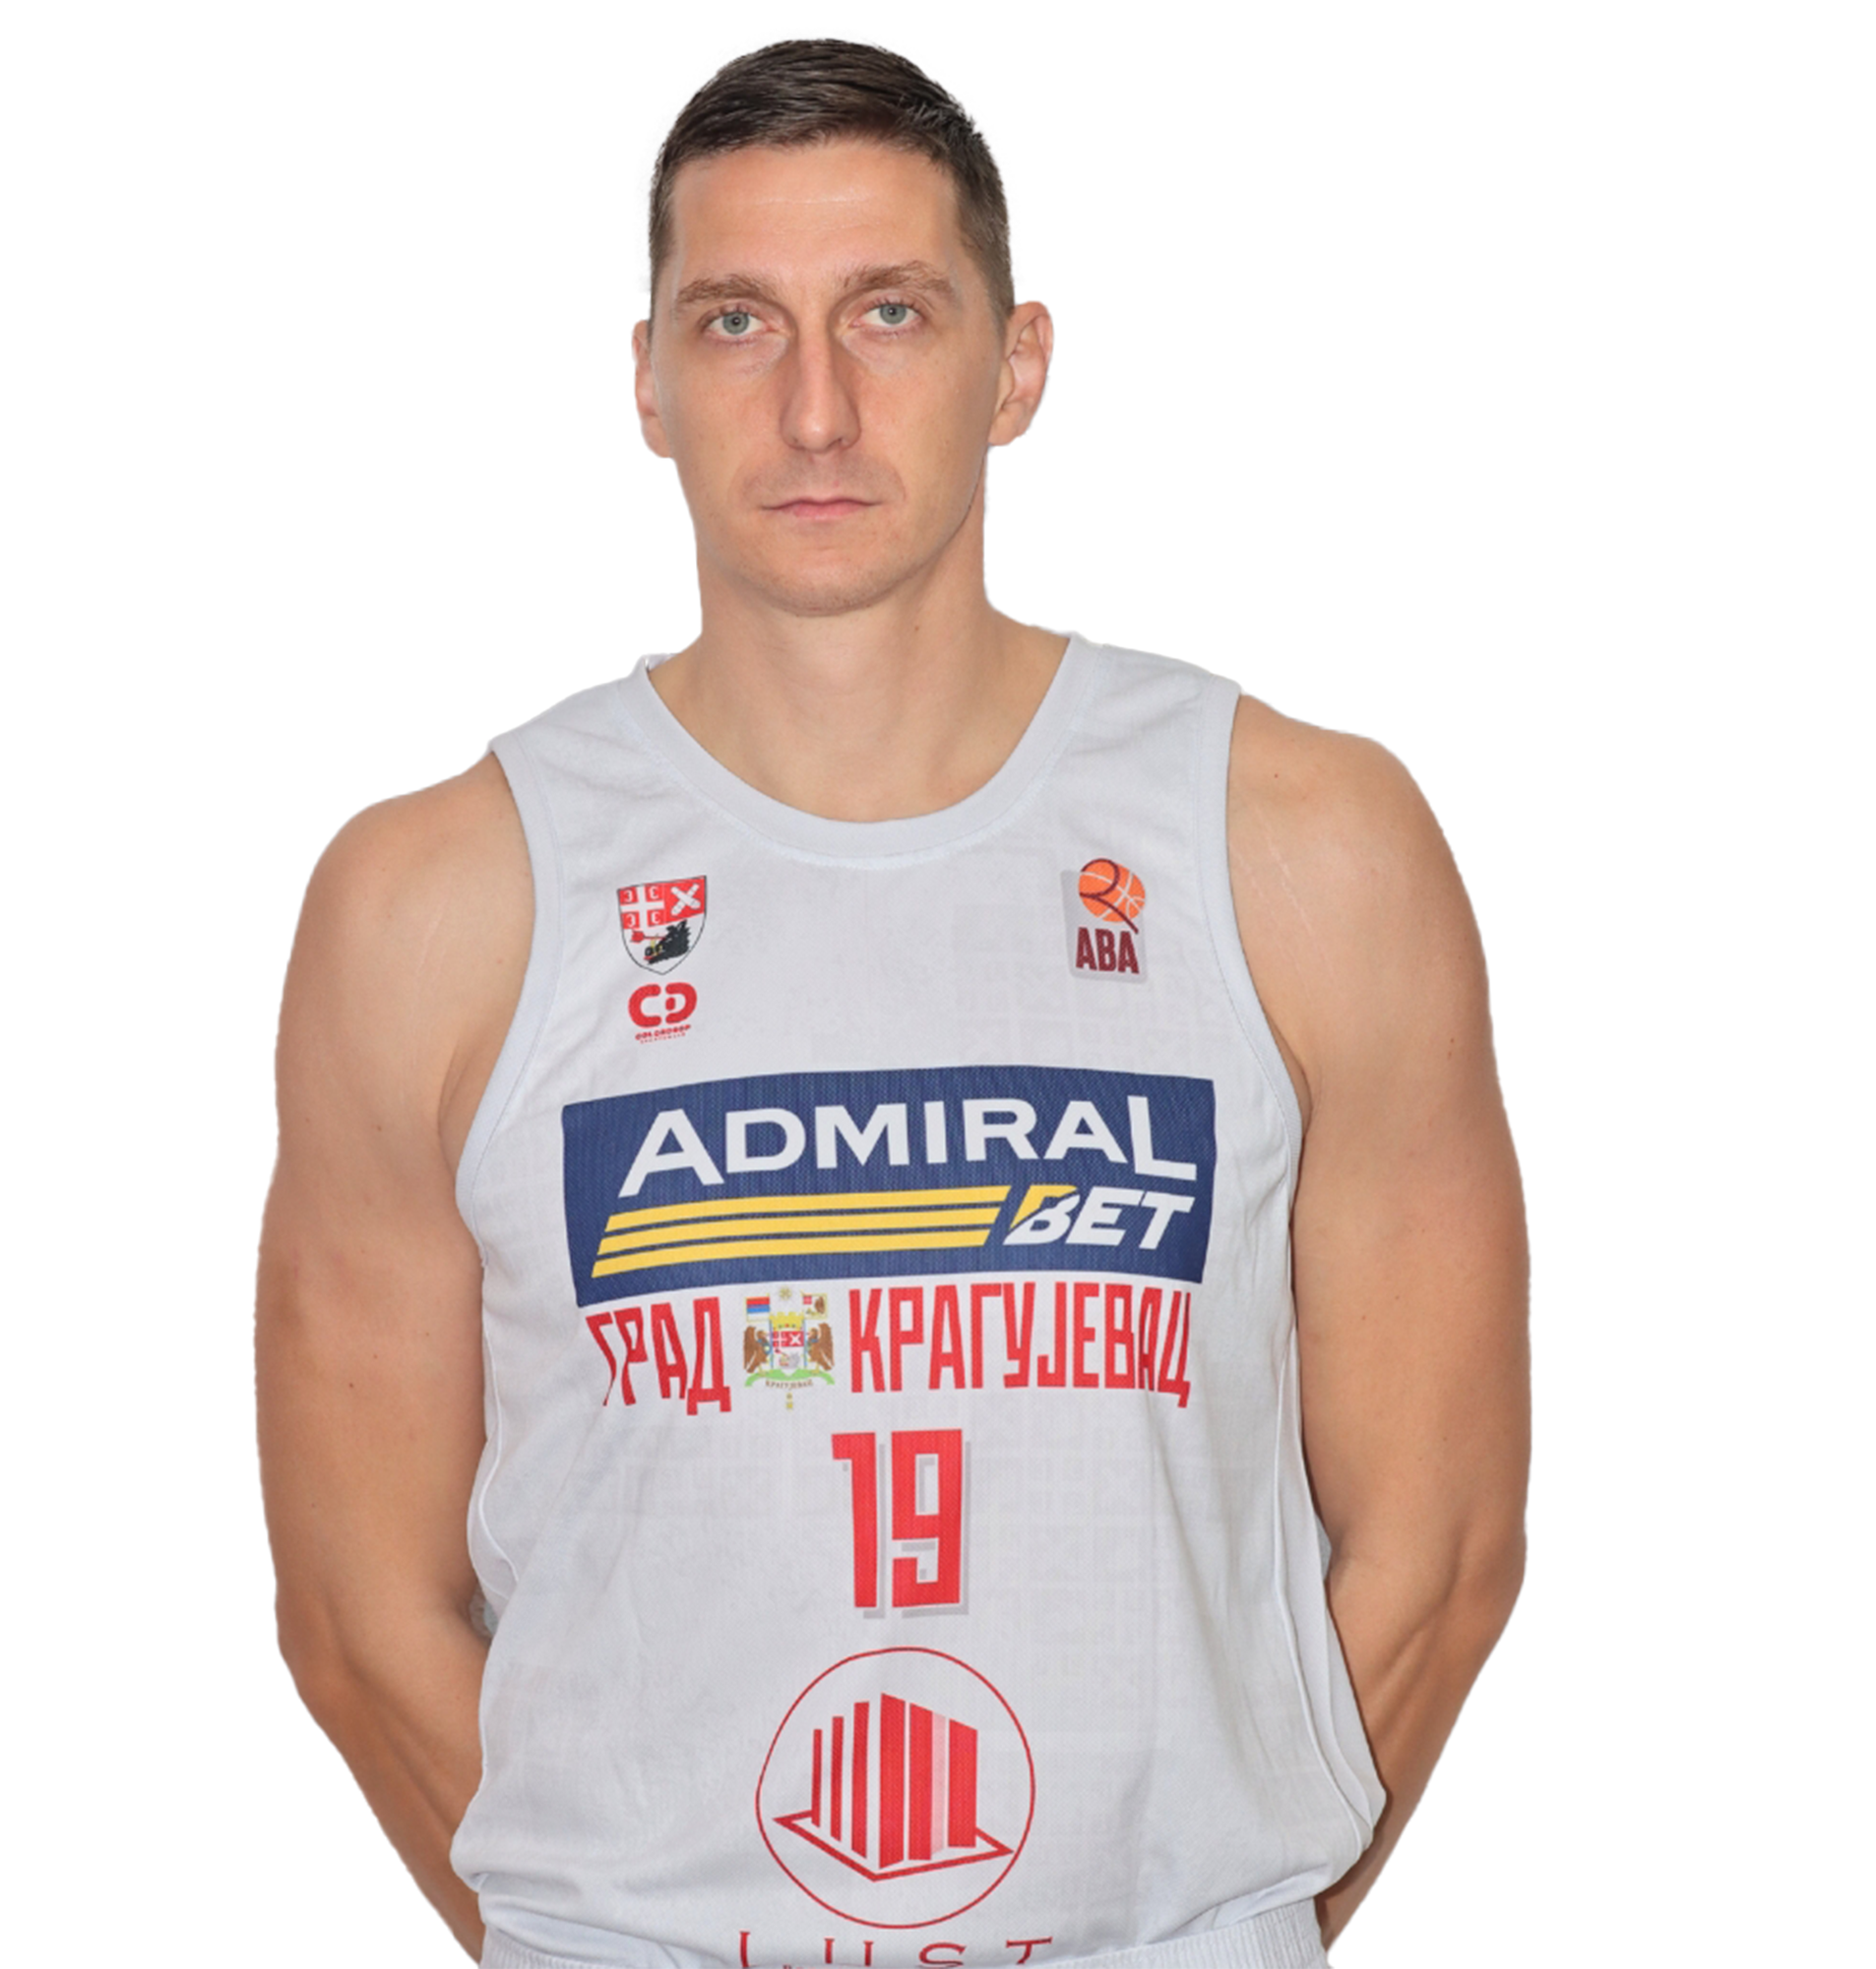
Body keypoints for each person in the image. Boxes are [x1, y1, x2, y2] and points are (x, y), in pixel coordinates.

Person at [254, 32, 1531, 1969]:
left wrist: (1207, 1913)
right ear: (646, 381)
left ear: (1017, 365)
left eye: (891, 313)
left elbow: (1440, 1552)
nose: (817, 411)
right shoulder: (431, 901)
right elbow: (359, 1617)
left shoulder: (1301, 845)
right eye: (738, 323)